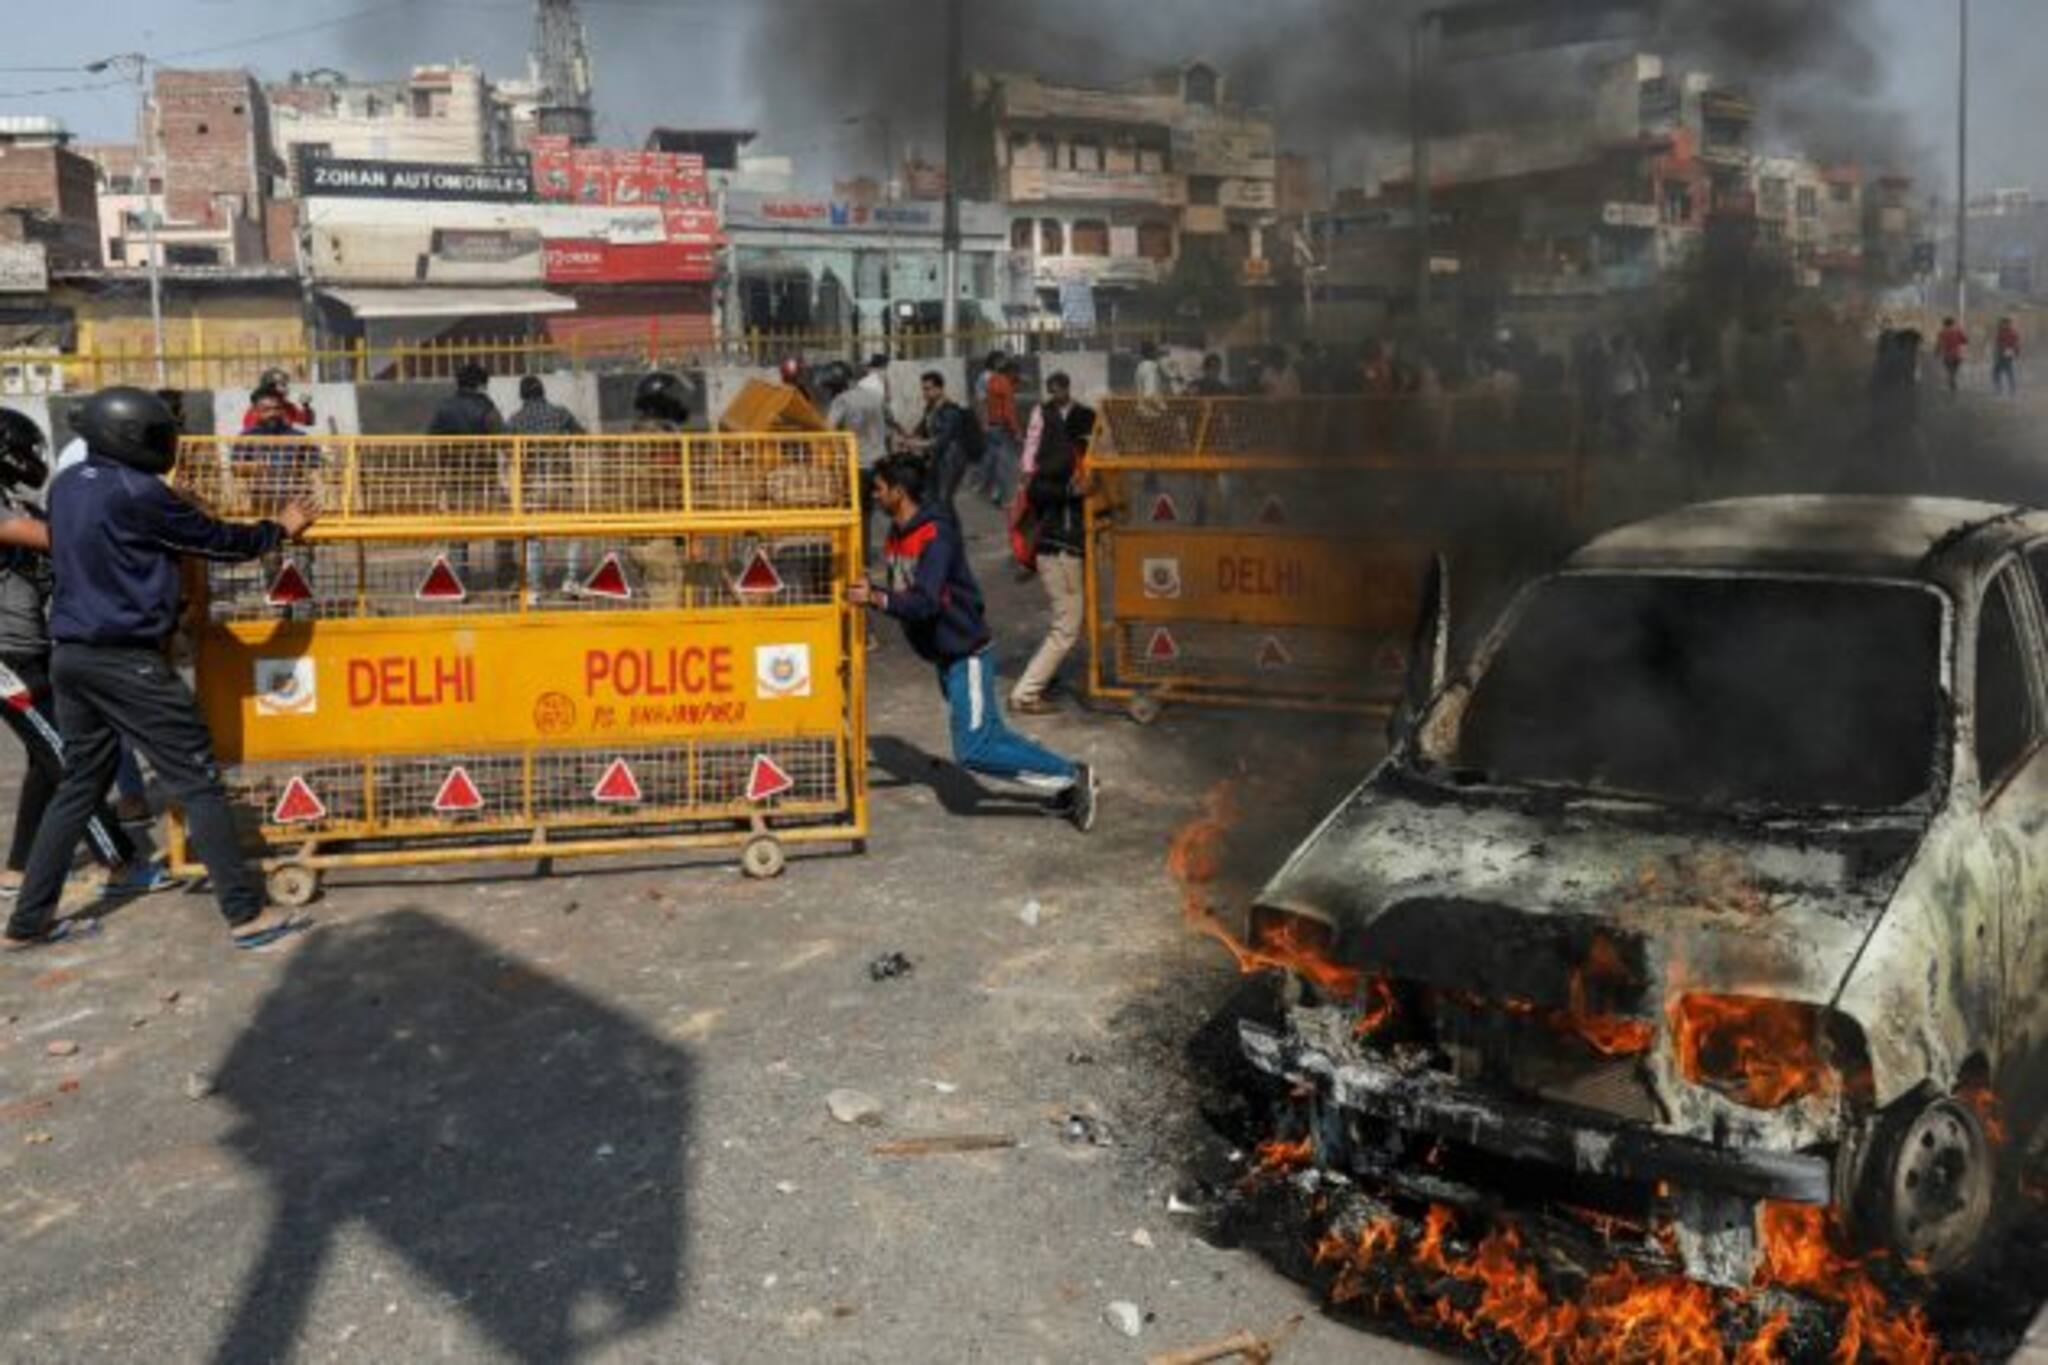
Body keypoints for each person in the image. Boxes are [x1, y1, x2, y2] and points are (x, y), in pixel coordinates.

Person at [4, 387, 319, 952]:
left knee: (78, 785)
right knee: (197, 779)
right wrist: (279, 527)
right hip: (127, 660)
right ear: (129, 436)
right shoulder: (139, 491)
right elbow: (220, 542)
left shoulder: (71, 484)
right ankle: (246, 914)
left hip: (71, 654)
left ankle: (27, 923)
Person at [848, 452, 1097, 831]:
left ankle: (1071, 776)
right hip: (946, 658)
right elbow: (907, 591)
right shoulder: (898, 534)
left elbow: (925, 602)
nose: (874, 495)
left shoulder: (935, 534)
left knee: (974, 749)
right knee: (992, 737)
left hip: (967, 656)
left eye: (879, 489)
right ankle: (1066, 781)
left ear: (898, 492)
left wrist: (876, 597)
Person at [0, 409, 171, 902]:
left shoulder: (15, 501)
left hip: (31, 650)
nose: (32, 460)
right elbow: (62, 539)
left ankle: (18, 869)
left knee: (45, 760)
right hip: (7, 660)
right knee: (73, 763)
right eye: (24, 451)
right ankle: (118, 861)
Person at [1011, 373, 1096, 714]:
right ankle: (1026, 692)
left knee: (1067, 622)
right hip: (1061, 552)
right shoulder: (1063, 471)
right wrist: (1074, 491)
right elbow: (1045, 491)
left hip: (1056, 551)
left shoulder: (1057, 467)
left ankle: (1044, 678)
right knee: (1066, 627)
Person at [507, 376, 585, 597]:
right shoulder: (560, 413)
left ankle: (534, 587)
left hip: (533, 486)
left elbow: (507, 450)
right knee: (574, 531)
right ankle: (570, 580)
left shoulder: (515, 420)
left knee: (533, 537)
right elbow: (582, 438)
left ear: (522, 396)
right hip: (561, 483)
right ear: (543, 391)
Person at [824, 362, 889, 562]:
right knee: (870, 512)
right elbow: (887, 424)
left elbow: (827, 430)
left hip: (857, 466)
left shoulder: (841, 400)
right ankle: (870, 555)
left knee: (853, 513)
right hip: (879, 463)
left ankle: (855, 558)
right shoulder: (874, 397)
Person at [900, 371, 981, 517]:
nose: (925, 393)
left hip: (951, 461)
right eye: (923, 389)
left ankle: (949, 529)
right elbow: (922, 428)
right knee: (933, 498)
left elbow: (941, 440)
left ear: (939, 389)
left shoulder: (950, 412)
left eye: (928, 389)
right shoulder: (930, 408)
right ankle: (943, 527)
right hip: (937, 460)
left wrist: (915, 444)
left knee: (943, 500)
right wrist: (908, 436)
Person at [980, 356, 1022, 506]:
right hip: (1002, 427)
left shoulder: (992, 380)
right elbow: (1009, 411)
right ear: (1010, 372)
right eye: (1016, 373)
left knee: (995, 462)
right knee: (1006, 464)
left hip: (991, 426)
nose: (1017, 376)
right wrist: (1016, 431)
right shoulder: (1006, 384)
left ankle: (995, 492)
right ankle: (1006, 497)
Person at [239, 368, 314, 432]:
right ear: (269, 385)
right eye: (282, 384)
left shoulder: (287, 406)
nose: (286, 388)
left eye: (285, 384)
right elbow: (250, 433)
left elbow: (307, 421)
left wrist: (306, 406)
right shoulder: (256, 409)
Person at [1936, 317, 1969, 394]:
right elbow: (1965, 341)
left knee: (1949, 370)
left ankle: (1951, 380)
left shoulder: (1942, 333)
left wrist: (1936, 352)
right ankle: (1952, 380)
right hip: (1957, 355)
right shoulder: (1957, 331)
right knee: (1954, 370)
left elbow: (1939, 344)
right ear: (1952, 323)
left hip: (1947, 355)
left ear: (1944, 324)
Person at [1994, 316, 2021, 396]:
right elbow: (1997, 343)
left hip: (2006, 353)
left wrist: (2016, 352)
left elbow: (2016, 344)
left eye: (2004, 323)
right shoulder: (2002, 331)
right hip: (2002, 353)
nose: (2002, 325)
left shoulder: (2009, 332)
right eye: (2002, 323)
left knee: (2006, 371)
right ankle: (2002, 388)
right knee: (2000, 371)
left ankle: (2007, 388)